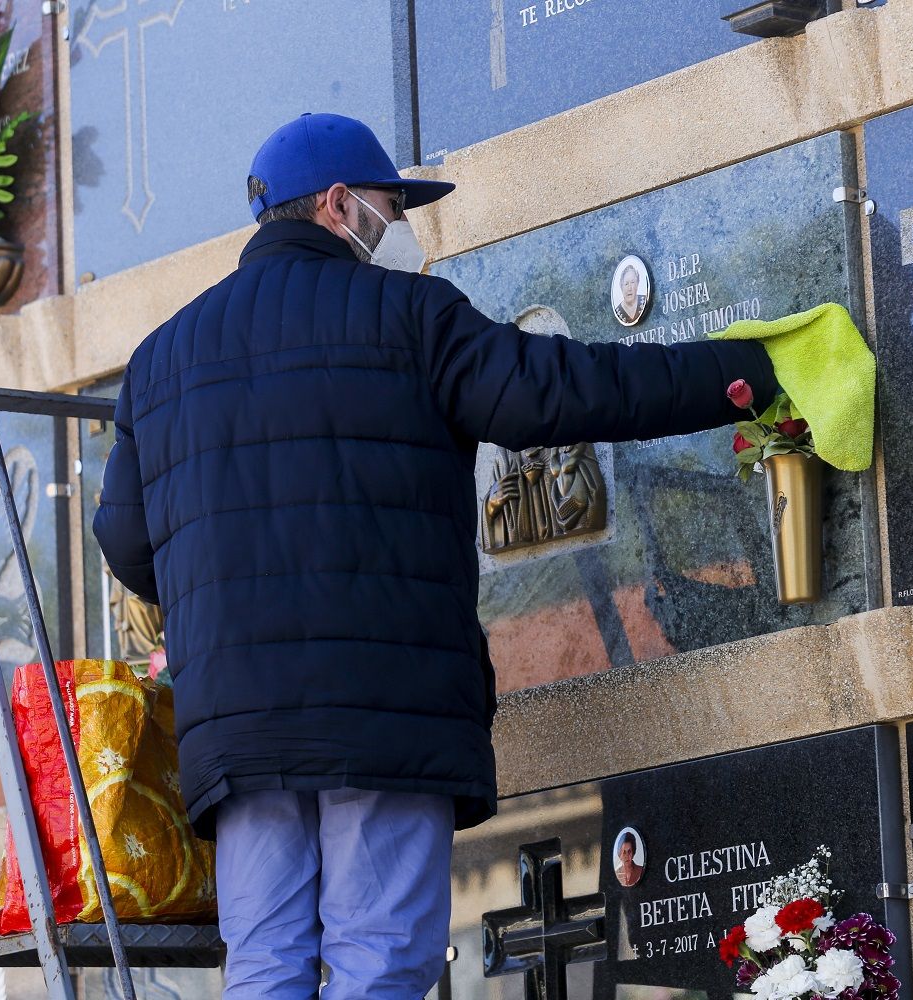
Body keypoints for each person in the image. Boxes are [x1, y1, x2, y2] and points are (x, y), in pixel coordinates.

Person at [92, 112, 778, 999]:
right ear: (340, 206)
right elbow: (563, 392)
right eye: (391, 204)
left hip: (240, 730)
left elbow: (123, 539)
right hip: (384, 707)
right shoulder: (407, 317)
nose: (400, 224)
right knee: (380, 958)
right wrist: (746, 373)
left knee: (264, 965)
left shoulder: (159, 362)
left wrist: (213, 600)